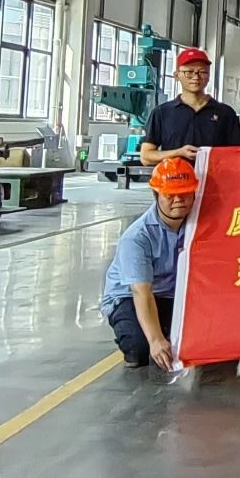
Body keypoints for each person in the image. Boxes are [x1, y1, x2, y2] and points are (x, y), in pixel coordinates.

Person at [99, 158, 199, 369]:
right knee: (141, 349)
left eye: (185, 193)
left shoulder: (199, 227)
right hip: (130, 296)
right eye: (170, 195)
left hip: (172, 295)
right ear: (156, 195)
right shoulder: (137, 237)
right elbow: (140, 291)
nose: (178, 200)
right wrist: (156, 340)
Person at [139, 47, 239, 165]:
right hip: (174, 176)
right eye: (189, 72)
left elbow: (237, 155)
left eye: (202, 72)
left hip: (214, 176)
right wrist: (178, 153)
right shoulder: (162, 113)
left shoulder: (225, 113)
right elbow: (146, 157)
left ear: (208, 76)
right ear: (176, 76)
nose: (196, 77)